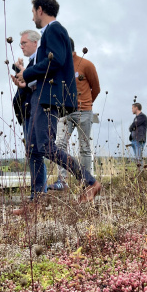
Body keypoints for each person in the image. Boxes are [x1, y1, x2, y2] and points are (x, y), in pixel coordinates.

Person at [11, 0, 101, 214]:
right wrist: (26, 79)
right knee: (33, 149)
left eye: (33, 12)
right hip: (39, 96)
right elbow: (48, 64)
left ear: (40, 10)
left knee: (46, 147)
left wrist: (28, 72)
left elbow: (57, 59)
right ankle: (36, 202)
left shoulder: (54, 29)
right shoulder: (50, 33)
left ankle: (90, 183)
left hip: (48, 99)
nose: (33, 17)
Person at [48, 38, 100, 191]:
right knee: (59, 144)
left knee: (84, 147)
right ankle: (62, 181)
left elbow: (96, 88)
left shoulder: (86, 64)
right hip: (64, 112)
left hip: (84, 112)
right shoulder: (58, 67)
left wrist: (87, 104)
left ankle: (87, 181)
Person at [12, 30, 47, 191]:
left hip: (34, 112)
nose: (21, 47)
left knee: (36, 153)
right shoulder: (33, 62)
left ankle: (39, 194)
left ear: (35, 43)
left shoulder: (40, 61)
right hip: (28, 113)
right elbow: (29, 82)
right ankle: (38, 194)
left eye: (24, 43)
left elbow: (34, 84)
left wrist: (23, 78)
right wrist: (19, 69)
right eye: (20, 43)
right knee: (33, 153)